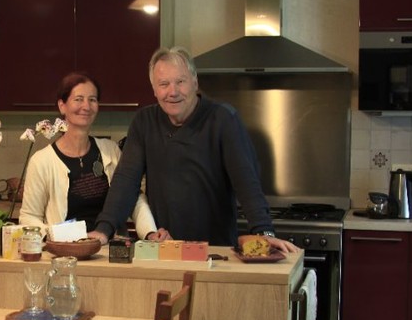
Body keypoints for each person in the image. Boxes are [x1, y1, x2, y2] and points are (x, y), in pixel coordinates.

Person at [88, 47, 298, 254]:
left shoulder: (223, 119)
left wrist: (264, 232)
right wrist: (104, 229)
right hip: (166, 250)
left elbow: (246, 181)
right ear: (154, 89)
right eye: (164, 84)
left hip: (216, 251)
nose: (173, 92)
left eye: (180, 81)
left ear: (195, 82)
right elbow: (126, 180)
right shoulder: (144, 122)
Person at [19, 71, 165, 240]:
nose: (86, 106)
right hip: (66, 253)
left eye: (92, 99)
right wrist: (56, 237)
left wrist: (150, 232)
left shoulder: (110, 151)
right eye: (78, 99)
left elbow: (132, 197)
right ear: (62, 106)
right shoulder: (42, 161)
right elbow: (29, 217)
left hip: (111, 252)